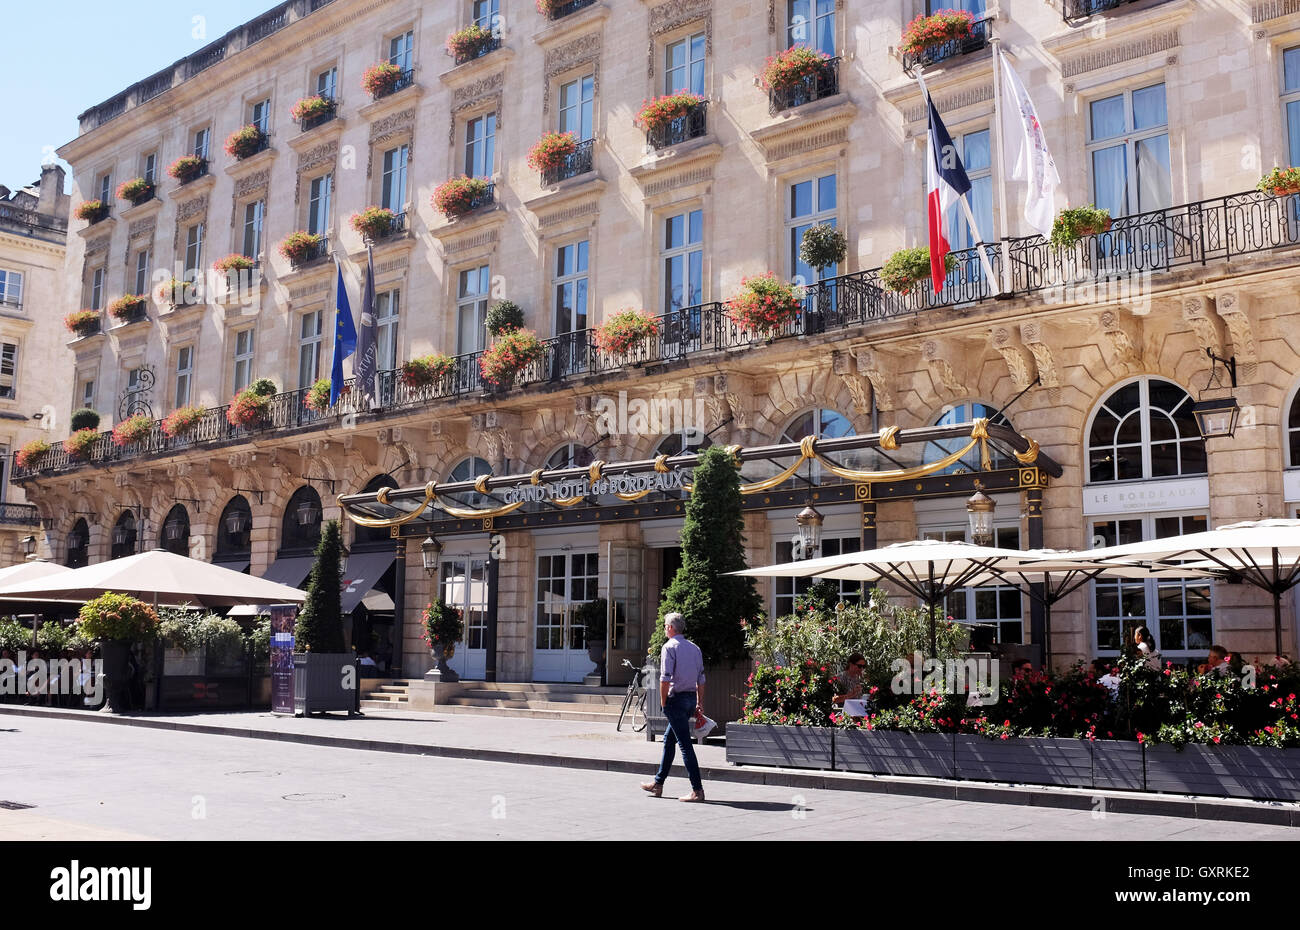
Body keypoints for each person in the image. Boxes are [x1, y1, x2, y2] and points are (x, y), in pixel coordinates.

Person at [641, 613, 706, 802]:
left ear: (670, 627)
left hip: (675, 700)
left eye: (664, 626)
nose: (663, 629)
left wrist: (663, 702)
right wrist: (699, 702)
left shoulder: (669, 647)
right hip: (689, 700)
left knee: (685, 746)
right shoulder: (695, 648)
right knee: (669, 741)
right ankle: (658, 784)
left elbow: (664, 678)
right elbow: (701, 679)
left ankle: (697, 790)